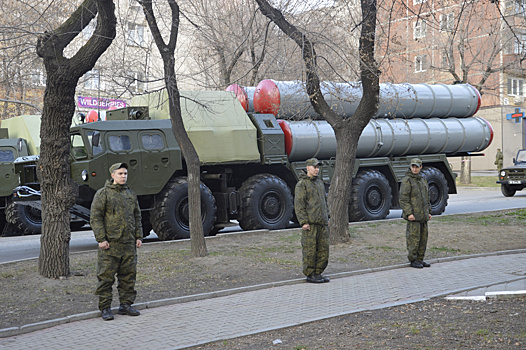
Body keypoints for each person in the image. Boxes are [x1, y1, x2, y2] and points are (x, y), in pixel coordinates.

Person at [91, 162, 143, 321]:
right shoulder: (103, 194)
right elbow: (95, 217)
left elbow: (137, 216)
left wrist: (138, 236)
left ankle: (126, 304)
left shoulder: (130, 194)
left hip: (128, 244)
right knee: (106, 277)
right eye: (120, 174)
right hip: (110, 245)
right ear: (112, 175)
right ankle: (105, 307)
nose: (123, 176)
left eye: (125, 174)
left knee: (128, 276)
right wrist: (101, 239)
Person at [294, 157, 330, 283]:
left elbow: (324, 202)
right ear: (308, 167)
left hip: (322, 223)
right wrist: (304, 222)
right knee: (310, 250)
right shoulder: (302, 184)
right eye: (314, 167)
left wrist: (327, 217)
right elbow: (299, 205)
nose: (317, 170)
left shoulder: (319, 183)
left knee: (323, 250)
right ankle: (310, 274)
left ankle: (318, 272)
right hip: (310, 224)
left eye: (318, 167)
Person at [399, 158, 432, 269]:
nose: (415, 169)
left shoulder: (422, 180)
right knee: (413, 239)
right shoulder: (407, 181)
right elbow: (403, 199)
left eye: (417, 167)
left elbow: (426, 198)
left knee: (423, 239)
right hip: (413, 217)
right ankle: (413, 260)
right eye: (413, 166)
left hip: (423, 216)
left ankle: (420, 259)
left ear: (420, 167)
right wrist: (409, 213)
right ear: (410, 167)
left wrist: (429, 212)